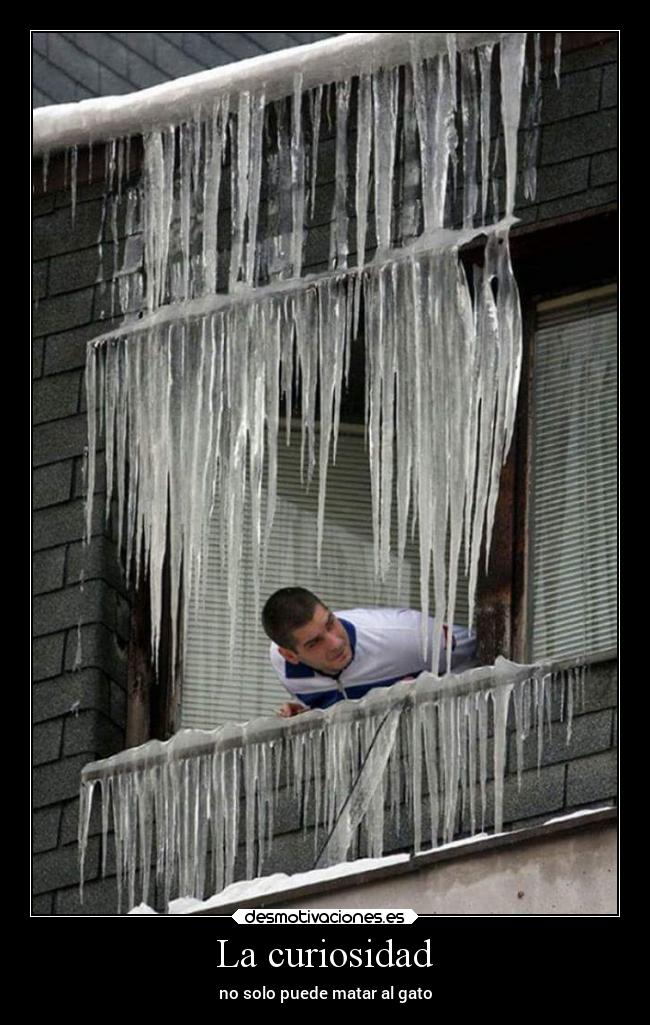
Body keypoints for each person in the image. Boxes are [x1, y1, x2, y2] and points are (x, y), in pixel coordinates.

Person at [262, 587, 478, 717]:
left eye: (330, 623)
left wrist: (431, 689)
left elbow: (485, 650)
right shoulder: (283, 666)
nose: (336, 643)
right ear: (290, 655)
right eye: (315, 642)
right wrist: (312, 713)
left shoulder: (411, 636)